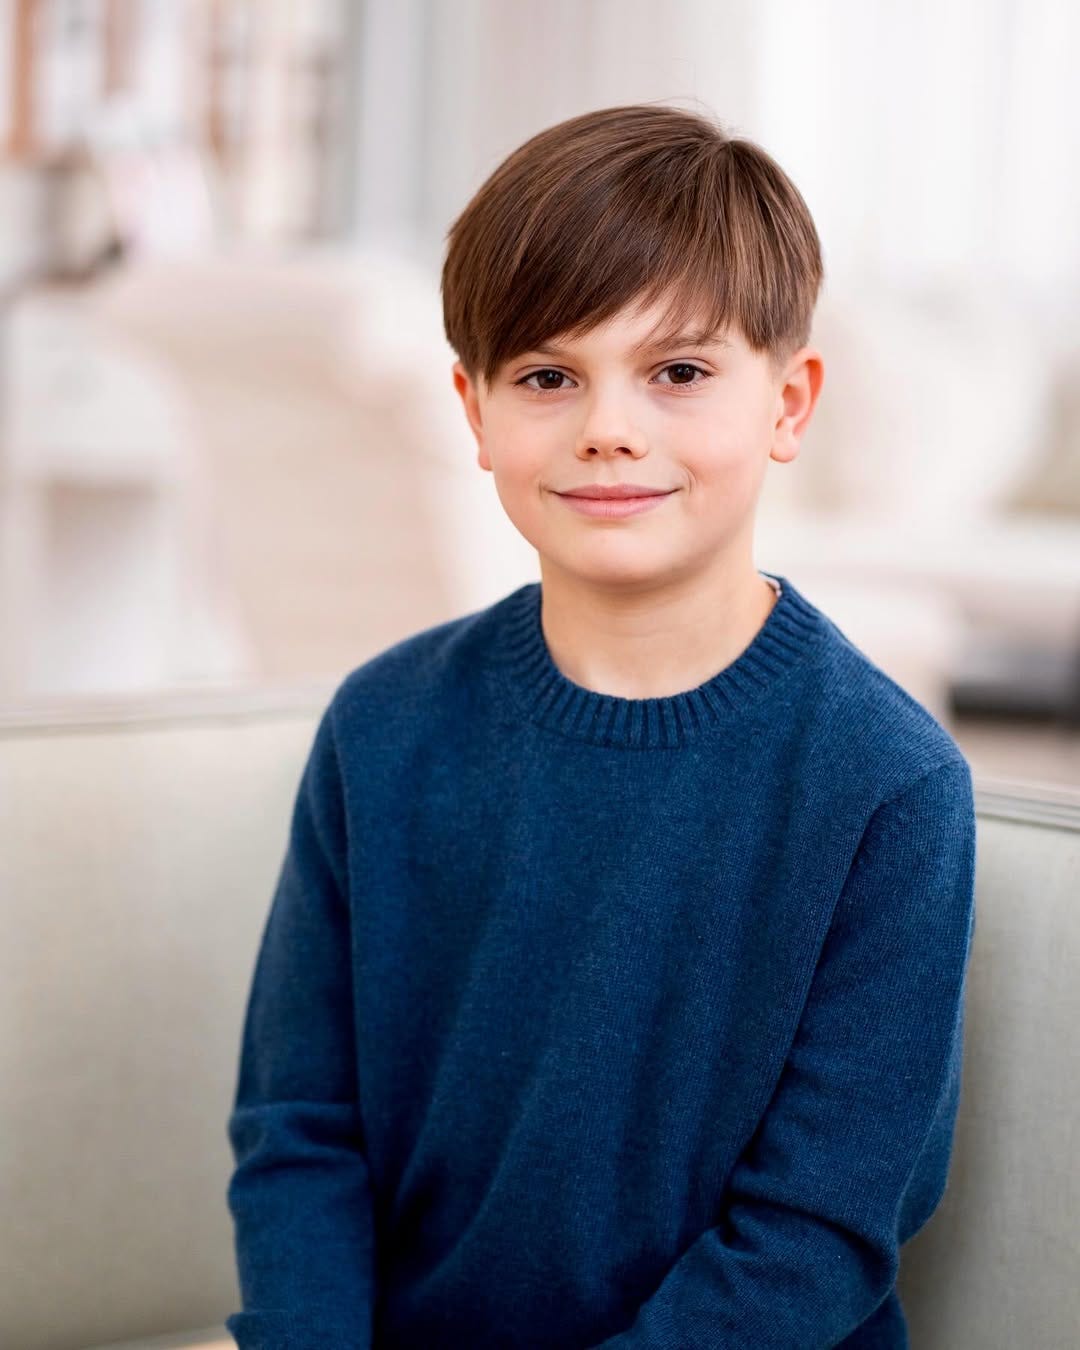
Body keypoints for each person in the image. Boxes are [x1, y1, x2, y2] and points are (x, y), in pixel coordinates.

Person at [224, 102, 977, 1349]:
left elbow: (817, 1231)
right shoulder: (382, 729)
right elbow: (299, 1130)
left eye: (678, 371)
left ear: (790, 404)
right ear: (473, 411)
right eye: (547, 376)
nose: (608, 426)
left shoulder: (889, 786)